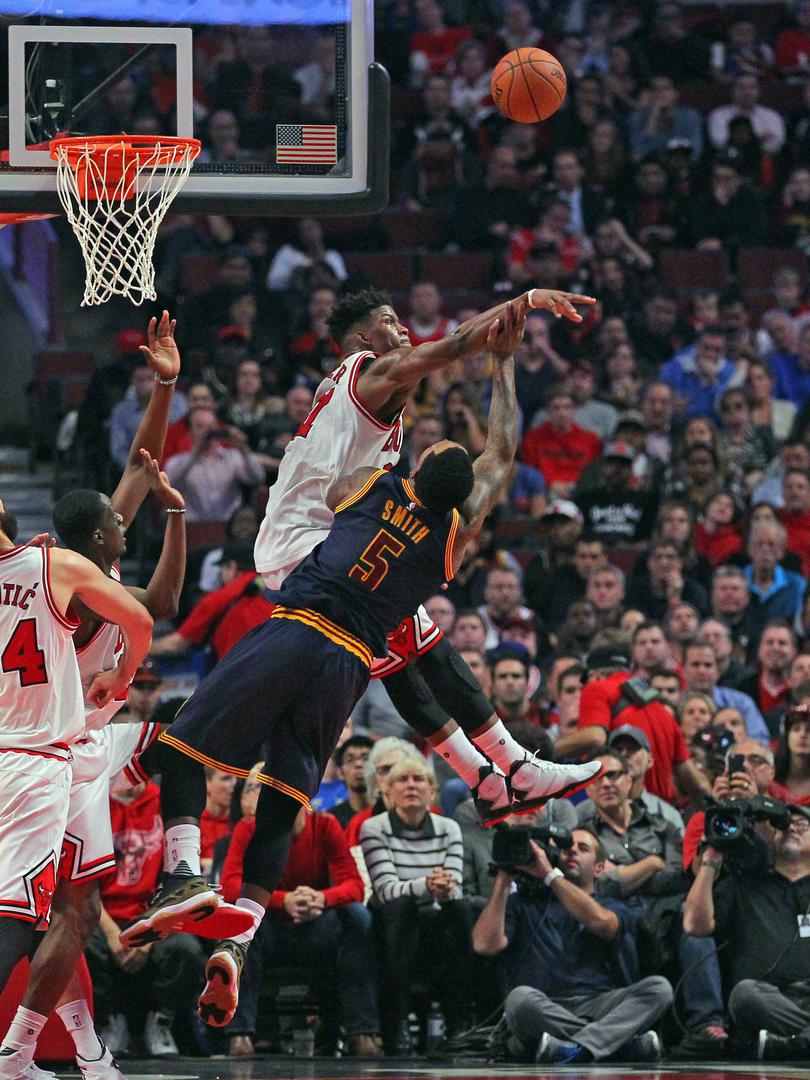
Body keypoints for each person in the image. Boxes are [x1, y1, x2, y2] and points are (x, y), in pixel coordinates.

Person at [117, 303, 603, 1029]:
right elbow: (499, 456)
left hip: (303, 622)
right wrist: (503, 359)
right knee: (291, 790)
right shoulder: (447, 536)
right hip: (341, 649)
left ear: (419, 471)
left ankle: (187, 879)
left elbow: (347, 468)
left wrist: (499, 341)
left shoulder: (369, 490)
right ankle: (243, 939)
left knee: (181, 741)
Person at [251, 283, 597, 830]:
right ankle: (515, 765)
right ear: (362, 340)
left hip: (301, 546)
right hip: (308, 544)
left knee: (401, 653)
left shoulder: (355, 402)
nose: (404, 329)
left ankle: (486, 779)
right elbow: (458, 347)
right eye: (391, 321)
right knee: (429, 647)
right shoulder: (370, 372)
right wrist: (524, 301)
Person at [0, 314, 188, 1080]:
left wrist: (165, 386)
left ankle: (62, 1051)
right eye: (116, 517)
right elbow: (158, 605)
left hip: (71, 744)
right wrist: (128, 669)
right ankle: (185, 866)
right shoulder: (74, 583)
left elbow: (142, 466)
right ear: (100, 533)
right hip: (62, 749)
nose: (123, 516)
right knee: (56, 910)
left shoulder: (88, 563)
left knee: (73, 911)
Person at [0, 501, 152, 1053]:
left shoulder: (56, 560)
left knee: (53, 915)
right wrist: (124, 675)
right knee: (20, 916)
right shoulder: (54, 566)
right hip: (38, 760)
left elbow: (113, 509)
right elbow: (145, 617)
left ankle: (65, 1052)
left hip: (25, 754)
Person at [473, 827, 673, 1064]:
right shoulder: (522, 903)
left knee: (659, 988)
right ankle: (615, 1045)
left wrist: (551, 876)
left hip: (600, 1004)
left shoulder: (612, 906)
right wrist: (504, 876)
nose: (572, 852)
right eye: (566, 848)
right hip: (544, 1005)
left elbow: (602, 924)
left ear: (599, 868)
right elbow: (484, 945)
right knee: (519, 999)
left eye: (583, 848)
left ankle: (572, 1048)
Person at [222, 799, 380, 1057]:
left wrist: (322, 898)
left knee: (357, 917)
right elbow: (230, 887)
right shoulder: (248, 827)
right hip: (269, 927)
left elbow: (354, 885)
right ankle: (240, 1034)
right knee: (241, 919)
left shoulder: (325, 825)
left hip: (315, 925)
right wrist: (282, 900)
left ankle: (362, 1031)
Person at [360, 755, 471, 1052]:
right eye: (402, 780)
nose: (411, 785)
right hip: (391, 920)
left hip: (433, 916)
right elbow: (385, 890)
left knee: (460, 910)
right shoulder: (374, 827)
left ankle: (458, 1025)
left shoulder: (449, 828)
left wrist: (445, 889)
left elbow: (455, 887)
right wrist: (428, 885)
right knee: (402, 907)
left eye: (419, 779)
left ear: (432, 791)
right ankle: (396, 1024)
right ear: (388, 792)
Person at [683, 803, 810, 1062]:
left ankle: (795, 1044)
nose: (792, 829)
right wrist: (710, 860)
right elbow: (694, 926)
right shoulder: (743, 884)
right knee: (744, 994)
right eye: (785, 825)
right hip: (768, 1002)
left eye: (803, 825)